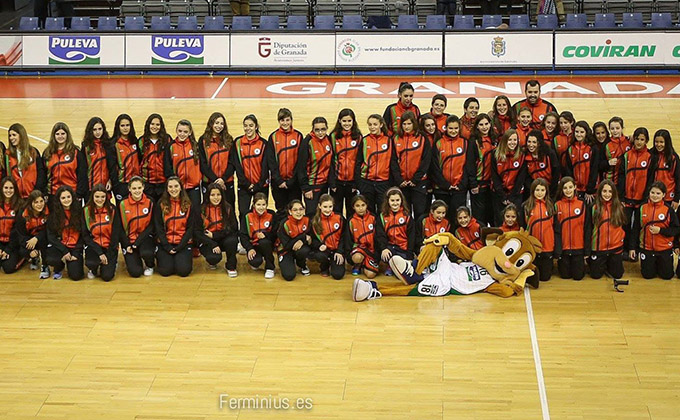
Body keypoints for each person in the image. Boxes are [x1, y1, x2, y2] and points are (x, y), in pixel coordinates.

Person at [630, 182, 679, 280]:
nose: (655, 196)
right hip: (647, 248)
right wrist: (632, 248)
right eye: (652, 192)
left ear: (664, 195)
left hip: (664, 249)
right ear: (649, 193)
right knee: (647, 276)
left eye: (658, 193)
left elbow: (676, 229)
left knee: (667, 276)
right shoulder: (642, 208)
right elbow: (635, 229)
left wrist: (660, 230)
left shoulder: (669, 210)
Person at [618, 127, 651, 259]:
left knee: (637, 226)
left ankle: (635, 249)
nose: (639, 142)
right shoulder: (626, 156)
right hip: (626, 198)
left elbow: (650, 179)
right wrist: (620, 196)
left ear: (646, 141)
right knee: (625, 224)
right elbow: (621, 176)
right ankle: (625, 249)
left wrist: (646, 197)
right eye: (637, 139)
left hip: (641, 199)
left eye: (642, 140)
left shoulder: (649, 157)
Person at [430, 114, 469, 225]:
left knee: (457, 219)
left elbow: (468, 167)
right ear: (446, 128)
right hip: (442, 189)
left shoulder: (465, 143)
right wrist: (446, 185)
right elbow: (435, 168)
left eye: (456, 128)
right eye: (451, 128)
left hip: (459, 189)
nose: (453, 131)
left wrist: (461, 185)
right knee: (442, 219)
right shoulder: (438, 143)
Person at [154, 177, 196, 277]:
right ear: (167, 189)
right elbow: (158, 227)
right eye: (170, 187)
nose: (173, 189)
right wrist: (167, 247)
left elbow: (190, 228)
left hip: (183, 244)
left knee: (183, 271)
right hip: (166, 244)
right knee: (165, 271)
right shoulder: (161, 204)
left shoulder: (188, 205)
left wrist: (180, 247)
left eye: (176, 186)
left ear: (181, 187)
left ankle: (178, 259)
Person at [391, 111, 431, 218]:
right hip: (402, 183)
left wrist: (415, 179)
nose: (406, 127)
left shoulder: (422, 138)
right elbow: (393, 161)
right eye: (404, 124)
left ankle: (420, 235)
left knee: (420, 213)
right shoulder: (395, 139)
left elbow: (426, 160)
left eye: (409, 124)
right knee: (404, 214)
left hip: (418, 182)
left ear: (414, 123)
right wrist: (399, 180)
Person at [355, 114, 396, 216]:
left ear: (381, 125)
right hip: (366, 182)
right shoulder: (364, 141)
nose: (372, 127)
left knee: (383, 212)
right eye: (370, 125)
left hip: (383, 182)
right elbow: (358, 162)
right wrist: (359, 183)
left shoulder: (389, 141)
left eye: (375, 124)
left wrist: (390, 182)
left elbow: (393, 162)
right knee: (369, 212)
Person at [267, 108, 303, 219]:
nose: (285, 123)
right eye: (282, 120)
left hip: (294, 183)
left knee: (295, 210)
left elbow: (300, 161)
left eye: (287, 120)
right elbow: (271, 161)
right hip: (278, 183)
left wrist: (292, 180)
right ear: (279, 121)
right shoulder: (273, 137)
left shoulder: (298, 136)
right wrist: (279, 180)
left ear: (291, 120)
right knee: (281, 211)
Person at [197, 183, 239, 276]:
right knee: (213, 258)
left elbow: (234, 228)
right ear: (208, 196)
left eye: (218, 194)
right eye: (212, 195)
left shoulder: (228, 207)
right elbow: (198, 232)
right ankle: (212, 260)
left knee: (232, 241)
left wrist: (215, 235)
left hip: (223, 237)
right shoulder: (201, 210)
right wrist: (212, 243)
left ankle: (231, 266)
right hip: (208, 240)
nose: (216, 197)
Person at [231, 114, 269, 218]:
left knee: (261, 213)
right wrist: (246, 183)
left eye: (251, 125)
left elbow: (266, 167)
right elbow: (237, 166)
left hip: (261, 186)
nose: (248, 128)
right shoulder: (237, 143)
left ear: (256, 126)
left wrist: (258, 185)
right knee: (243, 213)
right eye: (245, 126)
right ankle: (244, 234)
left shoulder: (264, 144)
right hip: (244, 186)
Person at [587, 180, 625, 281]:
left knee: (618, 275)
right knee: (595, 276)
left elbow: (623, 227)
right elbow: (588, 229)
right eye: (604, 191)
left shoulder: (620, 207)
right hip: (598, 249)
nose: (607, 194)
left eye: (610, 191)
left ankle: (610, 264)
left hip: (615, 248)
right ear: (600, 192)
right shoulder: (593, 208)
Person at [117, 176, 155, 278]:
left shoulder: (150, 202)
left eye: (139, 188)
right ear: (129, 189)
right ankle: (135, 258)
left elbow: (152, 225)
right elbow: (119, 227)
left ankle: (150, 265)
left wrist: (137, 243)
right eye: (134, 188)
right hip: (129, 241)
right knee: (135, 273)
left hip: (144, 238)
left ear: (143, 187)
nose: (137, 191)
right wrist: (127, 244)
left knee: (147, 253)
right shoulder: (122, 204)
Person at [554, 177, 590, 281]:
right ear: (561, 190)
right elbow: (556, 231)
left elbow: (587, 228)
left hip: (578, 249)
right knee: (564, 276)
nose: (568, 190)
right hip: (564, 249)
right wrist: (558, 250)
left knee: (578, 277)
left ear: (575, 187)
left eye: (570, 187)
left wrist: (586, 251)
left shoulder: (582, 204)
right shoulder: (557, 205)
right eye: (565, 188)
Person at [522, 178, 557, 284]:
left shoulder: (551, 206)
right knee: (533, 277)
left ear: (546, 191)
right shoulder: (526, 206)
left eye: (542, 190)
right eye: (537, 190)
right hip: (533, 248)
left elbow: (555, 227)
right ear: (532, 191)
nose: (540, 193)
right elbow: (523, 227)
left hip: (547, 247)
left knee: (545, 278)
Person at [46, 185, 84, 280]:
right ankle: (59, 267)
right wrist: (64, 251)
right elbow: (51, 236)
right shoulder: (53, 214)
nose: (66, 200)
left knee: (76, 276)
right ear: (59, 200)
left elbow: (84, 235)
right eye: (63, 198)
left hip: (75, 247)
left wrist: (76, 252)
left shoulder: (80, 212)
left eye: (68, 197)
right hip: (61, 246)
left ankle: (73, 262)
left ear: (72, 197)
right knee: (51, 259)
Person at [298, 117, 334, 217]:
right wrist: (306, 188)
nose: (320, 132)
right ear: (313, 129)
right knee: (311, 214)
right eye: (317, 130)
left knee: (323, 214)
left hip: (324, 185)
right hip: (312, 186)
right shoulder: (307, 142)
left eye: (323, 129)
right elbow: (301, 167)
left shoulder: (328, 140)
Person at [83, 184, 119, 282]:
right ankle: (93, 269)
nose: (100, 199)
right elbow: (85, 236)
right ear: (92, 197)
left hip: (109, 247)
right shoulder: (86, 211)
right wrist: (99, 253)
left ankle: (112, 263)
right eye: (97, 197)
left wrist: (109, 253)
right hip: (94, 247)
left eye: (103, 197)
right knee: (91, 262)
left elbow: (116, 234)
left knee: (107, 277)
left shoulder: (113, 210)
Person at [43, 122, 87, 202]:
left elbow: (82, 175)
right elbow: (43, 175)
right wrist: (45, 193)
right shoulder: (47, 153)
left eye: (63, 133)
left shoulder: (76, 153)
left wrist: (79, 194)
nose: (60, 136)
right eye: (57, 134)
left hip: (72, 194)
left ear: (67, 135)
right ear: (54, 136)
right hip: (53, 194)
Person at [199, 112, 235, 208]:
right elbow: (202, 164)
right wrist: (216, 180)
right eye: (216, 123)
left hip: (226, 182)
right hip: (209, 182)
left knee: (228, 209)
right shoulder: (203, 140)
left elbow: (232, 163)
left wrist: (223, 179)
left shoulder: (229, 140)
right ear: (211, 124)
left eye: (221, 123)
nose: (219, 126)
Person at [330, 108, 362, 218]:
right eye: (344, 121)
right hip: (337, 182)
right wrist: (332, 182)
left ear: (353, 121)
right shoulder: (333, 137)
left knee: (351, 213)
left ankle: (350, 234)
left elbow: (359, 162)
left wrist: (356, 183)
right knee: (336, 212)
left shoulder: (358, 137)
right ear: (339, 121)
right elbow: (330, 161)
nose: (347, 124)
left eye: (349, 121)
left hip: (352, 183)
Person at [467, 114, 497, 227]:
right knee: (479, 218)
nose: (484, 127)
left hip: (492, 185)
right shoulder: (474, 142)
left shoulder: (494, 140)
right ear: (477, 127)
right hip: (478, 185)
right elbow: (470, 164)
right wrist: (473, 183)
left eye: (486, 124)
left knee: (492, 215)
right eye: (481, 124)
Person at [490, 129, 526, 226]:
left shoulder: (522, 155)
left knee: (516, 222)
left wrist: (511, 196)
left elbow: (520, 178)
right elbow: (495, 177)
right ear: (505, 140)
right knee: (499, 221)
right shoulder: (495, 155)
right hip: (499, 194)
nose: (512, 143)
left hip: (516, 194)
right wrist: (503, 196)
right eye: (510, 140)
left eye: (515, 140)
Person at [377, 187, 414, 276]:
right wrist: (383, 248)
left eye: (397, 200)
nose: (395, 203)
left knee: (403, 271)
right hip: (389, 247)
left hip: (403, 248)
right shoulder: (382, 216)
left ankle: (399, 265)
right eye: (392, 200)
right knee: (385, 255)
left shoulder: (407, 216)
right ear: (388, 201)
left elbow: (412, 236)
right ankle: (390, 265)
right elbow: (380, 235)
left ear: (402, 201)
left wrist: (409, 254)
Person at [165, 120, 201, 210]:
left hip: (193, 187)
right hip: (178, 188)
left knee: (195, 212)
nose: (182, 134)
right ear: (176, 131)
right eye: (180, 131)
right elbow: (167, 167)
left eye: (185, 132)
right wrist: (174, 184)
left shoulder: (195, 146)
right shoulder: (171, 147)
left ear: (190, 133)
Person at [310, 194, 347, 279]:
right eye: (325, 207)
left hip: (337, 251)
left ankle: (335, 263)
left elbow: (344, 236)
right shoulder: (315, 221)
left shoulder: (340, 218)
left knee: (338, 275)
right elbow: (313, 240)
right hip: (325, 251)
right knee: (319, 256)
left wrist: (340, 251)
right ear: (319, 206)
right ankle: (324, 266)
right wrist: (319, 245)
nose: (328, 209)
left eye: (330, 206)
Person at [13, 190, 49, 278]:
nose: (39, 204)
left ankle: (45, 266)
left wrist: (37, 238)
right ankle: (33, 258)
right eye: (36, 202)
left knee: (44, 242)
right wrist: (30, 251)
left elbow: (49, 231)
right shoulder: (22, 216)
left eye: (41, 201)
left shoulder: (48, 212)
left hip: (42, 238)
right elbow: (21, 235)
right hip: (28, 239)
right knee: (23, 250)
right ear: (30, 203)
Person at [239, 192, 276, 279]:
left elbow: (275, 232)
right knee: (255, 263)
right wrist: (249, 248)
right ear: (253, 205)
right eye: (258, 204)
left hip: (266, 244)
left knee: (265, 242)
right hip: (253, 245)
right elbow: (242, 235)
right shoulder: (247, 215)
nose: (261, 207)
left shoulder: (272, 214)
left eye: (263, 204)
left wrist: (266, 235)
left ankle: (270, 267)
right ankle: (256, 257)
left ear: (267, 205)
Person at [5, 123, 46, 199]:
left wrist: (36, 191)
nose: (11, 138)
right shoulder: (8, 154)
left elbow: (41, 173)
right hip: (17, 198)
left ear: (21, 135)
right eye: (10, 136)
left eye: (14, 135)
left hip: (33, 195)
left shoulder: (33, 152)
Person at [79, 117, 115, 200]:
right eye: (94, 129)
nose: (98, 132)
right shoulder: (86, 146)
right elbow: (82, 169)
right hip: (90, 187)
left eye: (100, 129)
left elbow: (112, 166)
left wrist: (110, 180)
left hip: (105, 186)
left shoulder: (108, 145)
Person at [277, 200, 312, 281]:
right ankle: (286, 261)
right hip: (286, 250)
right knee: (289, 276)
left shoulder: (307, 221)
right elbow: (286, 245)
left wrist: (303, 241)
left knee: (304, 250)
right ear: (290, 211)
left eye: (300, 209)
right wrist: (302, 238)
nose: (298, 212)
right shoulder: (284, 224)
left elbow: (310, 238)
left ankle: (301, 264)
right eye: (295, 210)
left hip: (299, 249)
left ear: (304, 210)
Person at [565, 121, 599, 203]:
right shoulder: (570, 149)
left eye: (582, 132)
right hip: (576, 189)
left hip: (590, 190)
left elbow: (594, 169)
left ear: (586, 133)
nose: (579, 134)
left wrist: (590, 190)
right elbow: (568, 170)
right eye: (577, 132)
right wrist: (572, 187)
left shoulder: (592, 148)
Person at [139, 113, 171, 202]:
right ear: (148, 125)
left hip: (163, 182)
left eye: (157, 124)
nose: (155, 127)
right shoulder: (141, 141)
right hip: (148, 183)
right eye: (152, 124)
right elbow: (139, 161)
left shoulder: (167, 139)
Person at [111, 114, 141, 202]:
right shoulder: (113, 144)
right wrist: (116, 185)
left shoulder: (135, 141)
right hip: (121, 184)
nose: (125, 128)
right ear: (118, 127)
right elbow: (112, 167)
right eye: (122, 125)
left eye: (127, 125)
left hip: (135, 183)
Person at [647, 129, 680, 210]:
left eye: (661, 142)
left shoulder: (674, 158)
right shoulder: (650, 154)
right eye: (656, 142)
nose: (658, 144)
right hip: (654, 196)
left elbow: (678, 179)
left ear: (667, 142)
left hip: (669, 197)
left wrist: (676, 199)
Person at [524, 129, 560, 197]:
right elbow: (525, 177)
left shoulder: (549, 154)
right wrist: (533, 190)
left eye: (534, 142)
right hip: (533, 192)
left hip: (550, 191)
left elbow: (556, 173)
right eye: (529, 142)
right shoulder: (525, 155)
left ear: (539, 143)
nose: (531, 145)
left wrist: (550, 192)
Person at [0, 177, 22, 274]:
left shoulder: (20, 205)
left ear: (15, 189)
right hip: (1, 243)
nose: (8, 190)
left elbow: (18, 231)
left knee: (8, 268)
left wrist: (8, 249)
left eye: (11, 188)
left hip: (13, 244)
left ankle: (23, 257)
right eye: (6, 188)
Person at [603, 116, 631, 185]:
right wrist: (608, 162)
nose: (615, 131)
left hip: (626, 178)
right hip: (611, 180)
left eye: (617, 128)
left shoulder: (629, 142)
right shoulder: (606, 144)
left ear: (622, 128)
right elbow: (601, 163)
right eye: (612, 129)